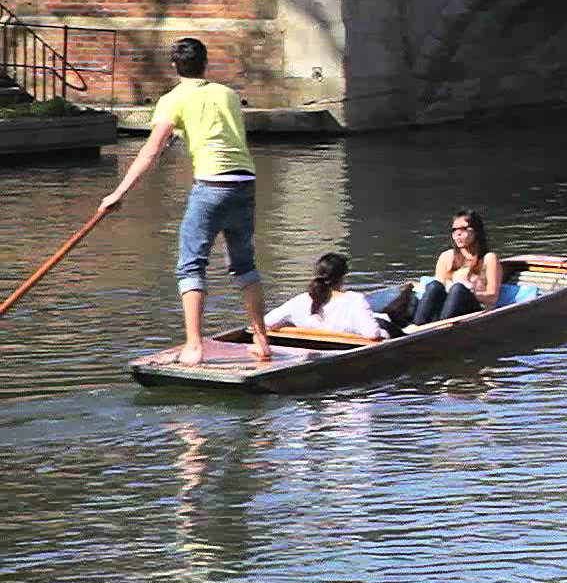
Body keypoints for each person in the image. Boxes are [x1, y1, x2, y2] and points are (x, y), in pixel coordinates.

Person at [99, 38, 270, 366]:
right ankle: (262, 341)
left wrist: (119, 194)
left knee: (191, 264)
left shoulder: (172, 99)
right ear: (206, 64)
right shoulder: (229, 95)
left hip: (211, 184)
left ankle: (194, 345)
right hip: (245, 182)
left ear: (175, 66)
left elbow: (151, 151)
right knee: (244, 264)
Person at [265, 253, 387, 339]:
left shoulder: (301, 300)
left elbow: (266, 322)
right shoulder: (354, 300)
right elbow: (372, 333)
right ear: (342, 278)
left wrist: (290, 325)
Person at [414, 211, 501, 324]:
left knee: (458, 289)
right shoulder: (446, 257)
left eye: (463, 229)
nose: (457, 234)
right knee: (434, 286)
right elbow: (438, 291)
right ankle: (417, 326)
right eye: (454, 230)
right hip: (447, 311)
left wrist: (468, 292)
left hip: (474, 310)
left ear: (476, 231)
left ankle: (441, 330)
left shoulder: (489, 259)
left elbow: (492, 297)